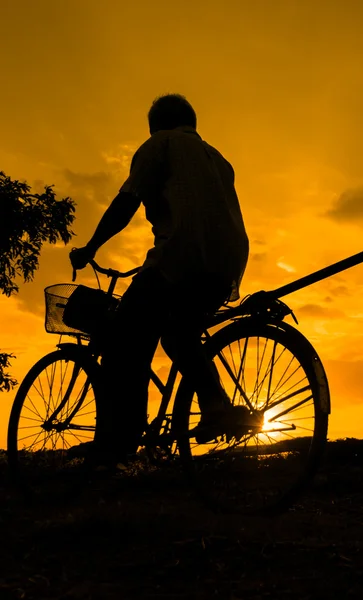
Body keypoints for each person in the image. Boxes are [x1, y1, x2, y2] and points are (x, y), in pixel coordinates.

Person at [70, 93, 250, 466]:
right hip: (227, 263)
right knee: (178, 332)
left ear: (155, 125)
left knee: (122, 338)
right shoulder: (219, 159)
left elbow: (126, 202)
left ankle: (119, 441)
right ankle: (215, 404)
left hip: (179, 256)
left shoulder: (160, 145)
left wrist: (91, 247)